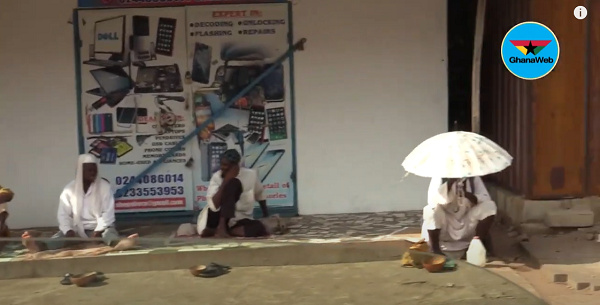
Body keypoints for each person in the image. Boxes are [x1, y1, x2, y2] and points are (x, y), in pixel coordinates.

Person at [22, 154, 137, 253]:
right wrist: (68, 230)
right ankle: (39, 246)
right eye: (89, 170)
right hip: (77, 228)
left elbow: (108, 213)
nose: (93, 172)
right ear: (80, 171)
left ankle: (119, 243)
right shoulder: (69, 189)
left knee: (109, 234)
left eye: (94, 169)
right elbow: (63, 214)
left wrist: (98, 230)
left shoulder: (104, 187)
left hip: (100, 228)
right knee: (60, 237)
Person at [197, 149, 270, 238]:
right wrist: (226, 181)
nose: (222, 167)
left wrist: (266, 215)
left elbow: (260, 194)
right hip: (214, 218)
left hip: (239, 219)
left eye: (226, 165)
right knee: (233, 184)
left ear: (235, 166)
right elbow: (214, 206)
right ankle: (221, 228)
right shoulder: (217, 177)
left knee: (260, 228)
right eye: (222, 164)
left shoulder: (251, 175)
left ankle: (228, 231)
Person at [421, 176, 496, 256]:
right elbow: (432, 201)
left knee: (489, 206)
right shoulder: (439, 176)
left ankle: (473, 247)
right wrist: (450, 183)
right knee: (430, 210)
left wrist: (467, 194)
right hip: (445, 222)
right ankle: (435, 250)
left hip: (466, 220)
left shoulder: (473, 177)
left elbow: (485, 198)